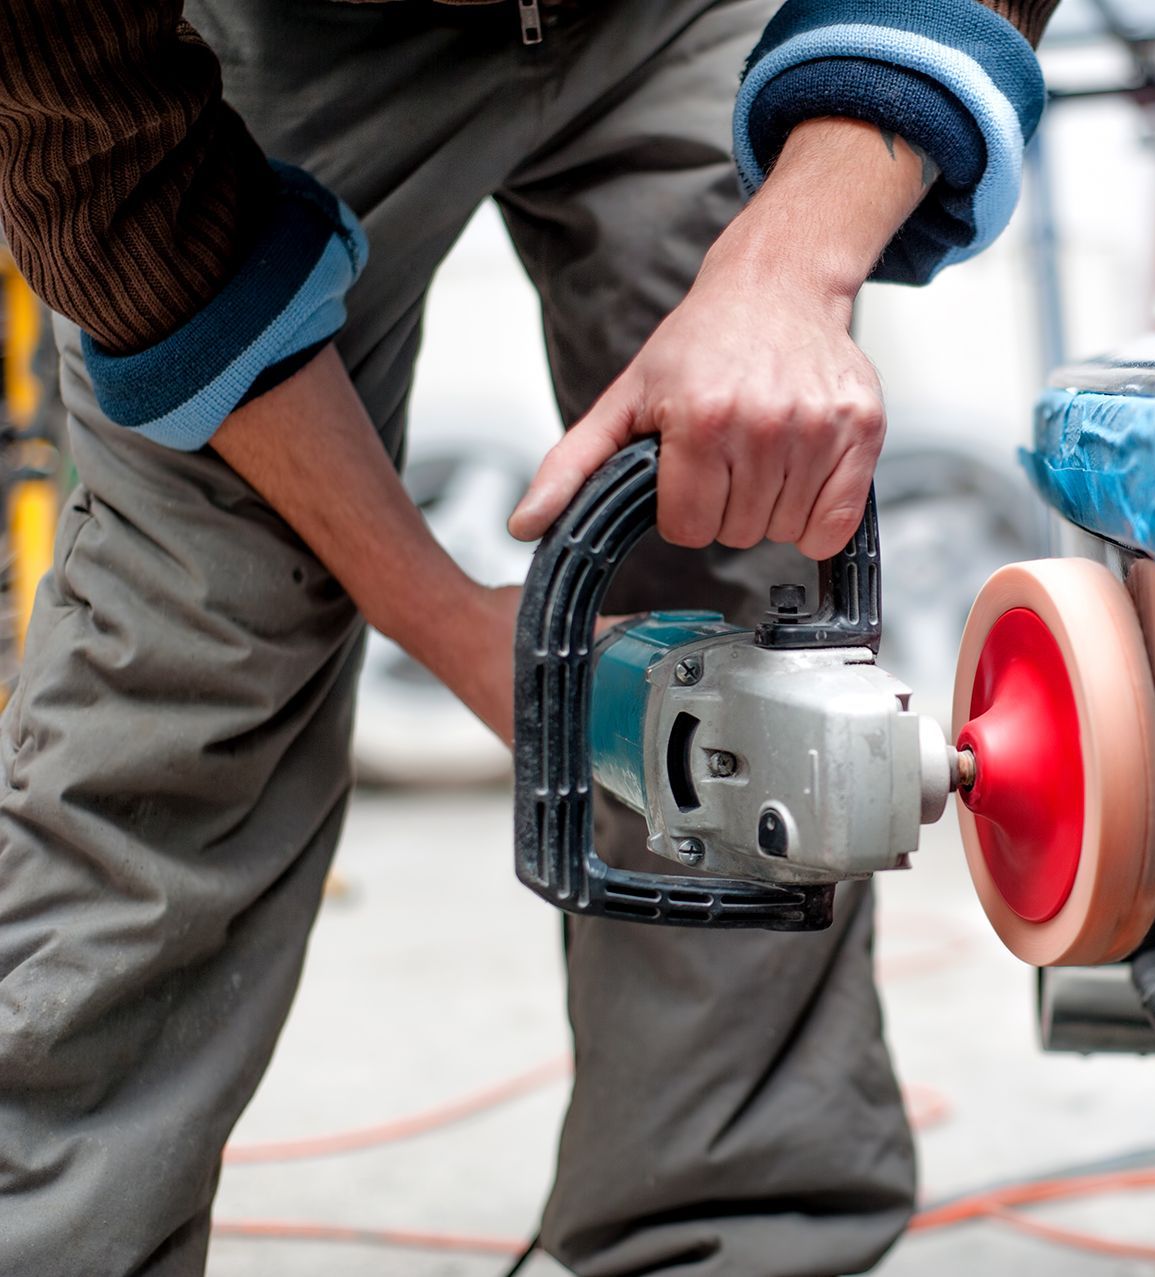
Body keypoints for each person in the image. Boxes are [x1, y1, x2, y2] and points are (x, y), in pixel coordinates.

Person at [0, 0, 1056, 1272]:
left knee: (736, 587)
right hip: (286, 37)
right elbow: (114, 171)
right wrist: (448, 622)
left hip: (681, 14)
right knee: (193, 649)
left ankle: (731, 1233)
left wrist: (789, 265)